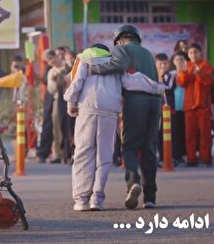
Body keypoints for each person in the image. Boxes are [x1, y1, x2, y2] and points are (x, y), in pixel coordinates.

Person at [64, 44, 164, 211]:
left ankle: (81, 200)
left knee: (83, 153)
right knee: (104, 157)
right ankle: (97, 198)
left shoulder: (84, 59)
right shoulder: (114, 64)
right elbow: (134, 81)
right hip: (109, 113)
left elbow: (76, 83)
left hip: (87, 110)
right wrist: (158, 88)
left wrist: (71, 104)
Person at [89, 24, 161, 209]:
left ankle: (132, 183)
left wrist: (93, 69)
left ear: (120, 40)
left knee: (129, 147)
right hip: (155, 102)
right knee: (149, 149)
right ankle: (150, 197)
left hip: (136, 102)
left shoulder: (122, 49)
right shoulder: (147, 53)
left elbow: (118, 65)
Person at [176, 43, 214, 167]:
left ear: (200, 53)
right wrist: (182, 71)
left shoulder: (206, 65)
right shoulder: (187, 66)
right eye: (191, 53)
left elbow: (209, 82)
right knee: (190, 135)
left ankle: (206, 158)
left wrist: (199, 73)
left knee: (205, 134)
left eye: (195, 52)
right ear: (188, 55)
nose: (193, 55)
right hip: (189, 107)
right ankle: (191, 159)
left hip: (203, 106)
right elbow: (182, 83)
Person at [43, 49, 70, 164]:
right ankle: (59, 154)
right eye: (48, 61)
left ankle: (70, 152)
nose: (50, 62)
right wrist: (55, 81)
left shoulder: (67, 66)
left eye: (50, 59)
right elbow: (51, 89)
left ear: (56, 56)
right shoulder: (51, 72)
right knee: (57, 126)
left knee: (69, 127)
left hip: (69, 99)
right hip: (57, 101)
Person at [170, 51, 188, 164]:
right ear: (173, 61)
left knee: (184, 133)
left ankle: (185, 154)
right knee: (175, 133)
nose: (179, 62)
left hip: (186, 107)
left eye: (181, 59)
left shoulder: (188, 73)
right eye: (177, 60)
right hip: (174, 107)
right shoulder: (170, 74)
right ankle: (176, 155)